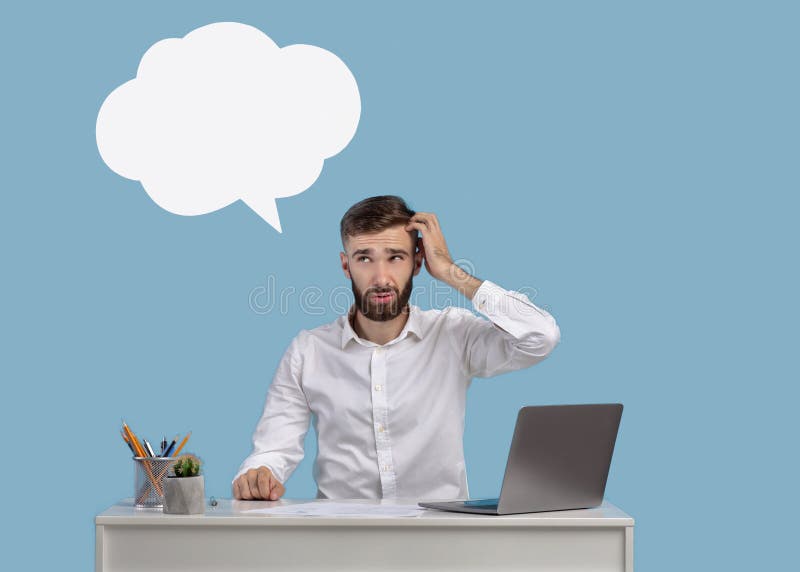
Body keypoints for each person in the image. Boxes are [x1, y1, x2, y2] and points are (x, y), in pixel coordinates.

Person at [232, 195, 560, 501]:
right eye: (364, 258)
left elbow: (540, 337)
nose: (381, 277)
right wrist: (259, 474)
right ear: (346, 266)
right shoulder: (308, 350)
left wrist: (449, 271)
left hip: (441, 543)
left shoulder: (453, 334)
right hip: (342, 543)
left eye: (395, 257)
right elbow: (273, 450)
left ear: (417, 263)